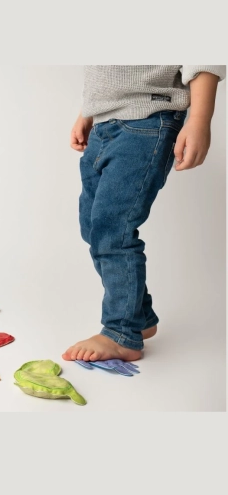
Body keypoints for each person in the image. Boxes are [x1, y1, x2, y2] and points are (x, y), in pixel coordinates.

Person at [63, 65, 226, 363]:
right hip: (102, 123)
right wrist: (88, 112)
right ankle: (139, 317)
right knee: (92, 227)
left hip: (147, 120)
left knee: (114, 231)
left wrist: (199, 120)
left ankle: (121, 332)